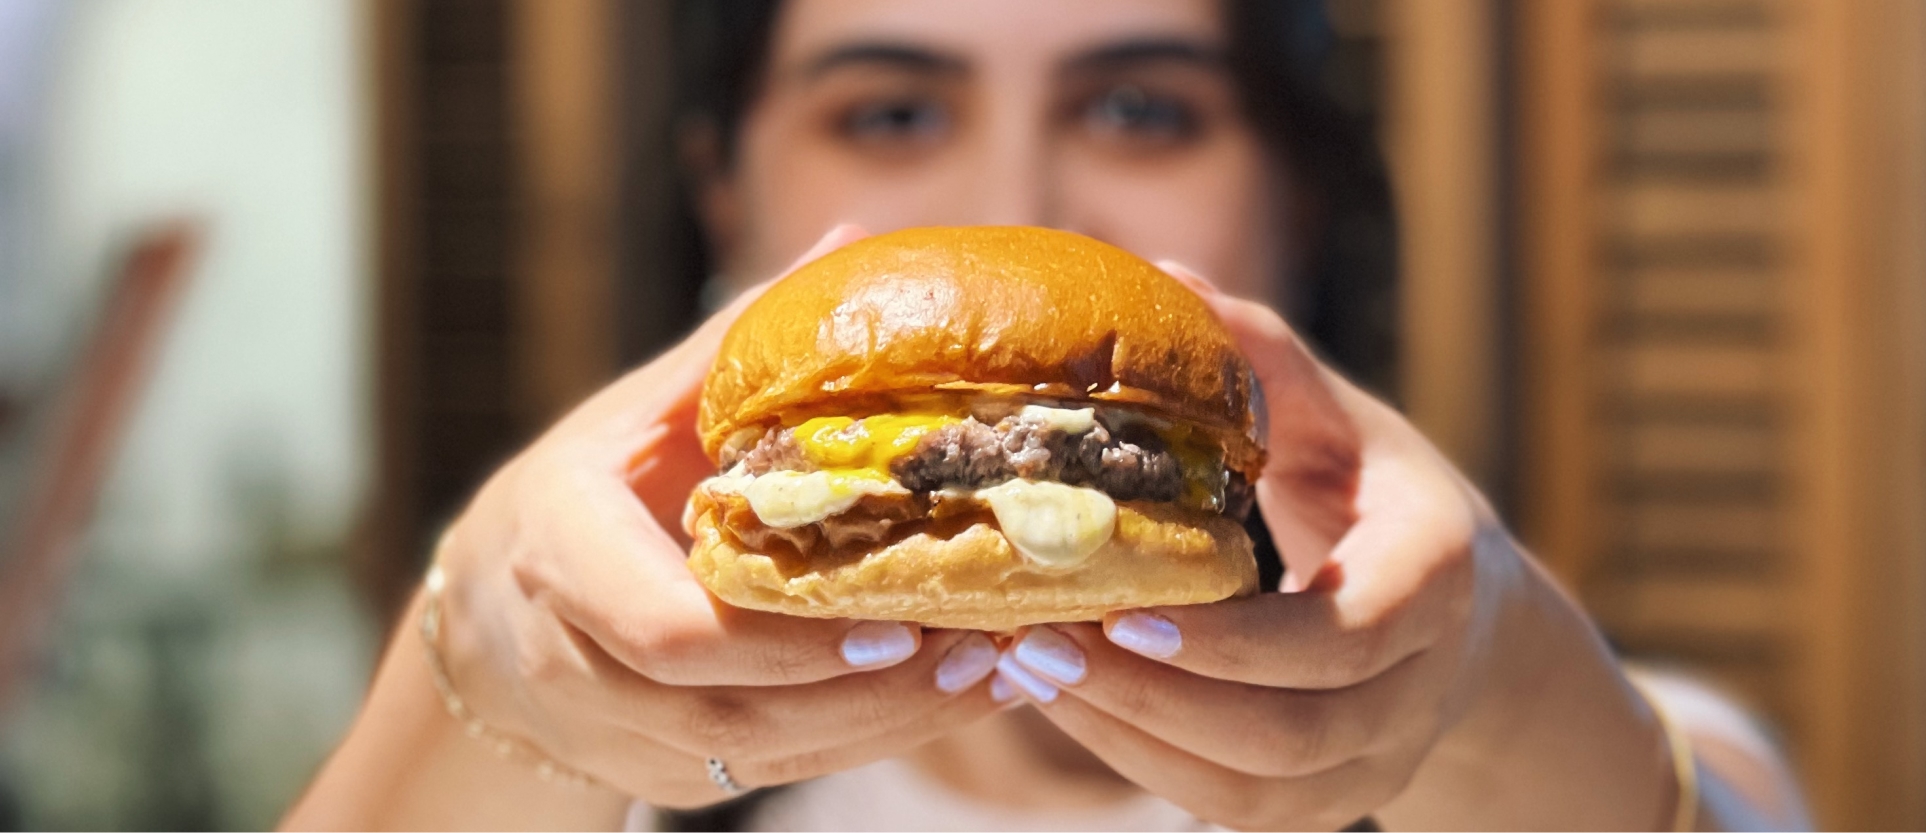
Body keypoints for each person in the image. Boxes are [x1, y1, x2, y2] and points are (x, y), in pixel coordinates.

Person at [284, 1, 1811, 829]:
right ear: (724, 191)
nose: (1008, 208)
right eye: (889, 110)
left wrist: (1492, 687)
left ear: (1299, 191)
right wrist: (477, 676)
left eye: (1140, 108)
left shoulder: (1602, 730)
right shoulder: (609, 801)